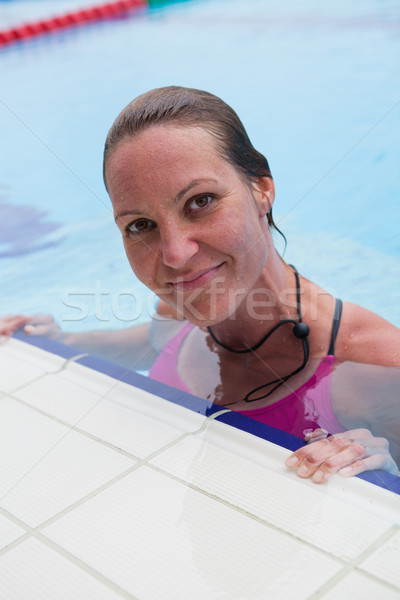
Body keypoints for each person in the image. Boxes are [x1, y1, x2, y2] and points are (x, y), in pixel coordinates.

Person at [2, 86, 399, 483]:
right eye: (140, 225)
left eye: (201, 201)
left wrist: (383, 473)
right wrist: (62, 342)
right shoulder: (182, 306)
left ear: (262, 190)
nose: (174, 255)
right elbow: (154, 341)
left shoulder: (375, 364)